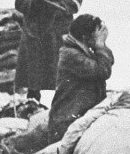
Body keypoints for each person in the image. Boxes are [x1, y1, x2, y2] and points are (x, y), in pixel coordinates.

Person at [14, 0, 82, 102]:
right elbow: (19, 1)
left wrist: (60, 6)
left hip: (59, 31)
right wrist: (33, 5)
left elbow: (76, 1)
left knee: (61, 73)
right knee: (34, 74)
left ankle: (62, 105)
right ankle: (32, 103)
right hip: (35, 32)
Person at [47, 14, 114, 143]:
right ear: (85, 37)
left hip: (77, 120)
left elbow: (108, 62)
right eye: (96, 35)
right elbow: (102, 71)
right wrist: (100, 46)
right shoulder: (70, 54)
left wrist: (101, 46)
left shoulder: (81, 50)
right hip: (66, 124)